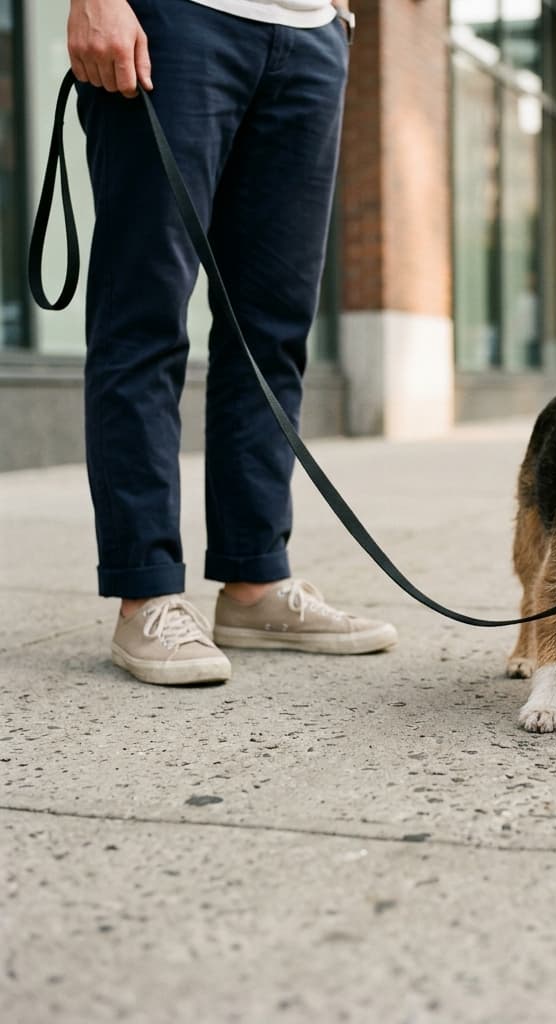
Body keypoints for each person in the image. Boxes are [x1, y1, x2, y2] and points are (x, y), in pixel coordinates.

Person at [67, 0, 396, 686]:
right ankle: (147, 591)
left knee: (271, 335)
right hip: (176, 21)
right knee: (144, 319)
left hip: (309, 37)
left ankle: (254, 585)